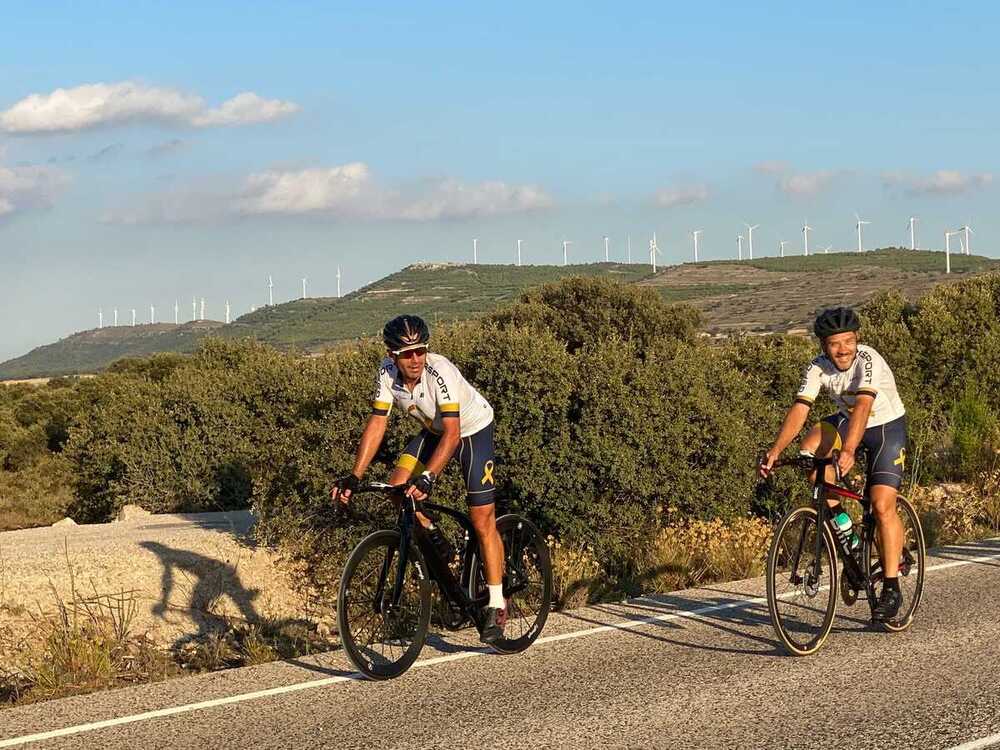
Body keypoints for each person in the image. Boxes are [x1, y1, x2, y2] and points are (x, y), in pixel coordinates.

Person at [330, 314, 507, 642]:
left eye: (420, 351)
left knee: (482, 519)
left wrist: (428, 477)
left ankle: (496, 603)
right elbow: (378, 423)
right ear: (391, 354)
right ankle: (434, 536)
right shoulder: (386, 373)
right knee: (397, 489)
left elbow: (453, 435)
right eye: (406, 353)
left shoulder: (440, 372)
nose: (415, 359)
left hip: (471, 431)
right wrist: (355, 475)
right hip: (433, 431)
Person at [760, 307, 908, 621]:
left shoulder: (869, 360)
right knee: (811, 452)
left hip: (885, 427)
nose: (843, 350)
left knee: (882, 505)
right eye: (834, 344)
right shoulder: (818, 367)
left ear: (857, 339)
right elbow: (801, 409)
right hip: (846, 421)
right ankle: (848, 535)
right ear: (823, 346)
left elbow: (864, 407)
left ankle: (892, 586)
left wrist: (850, 450)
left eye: (848, 341)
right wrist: (774, 450)